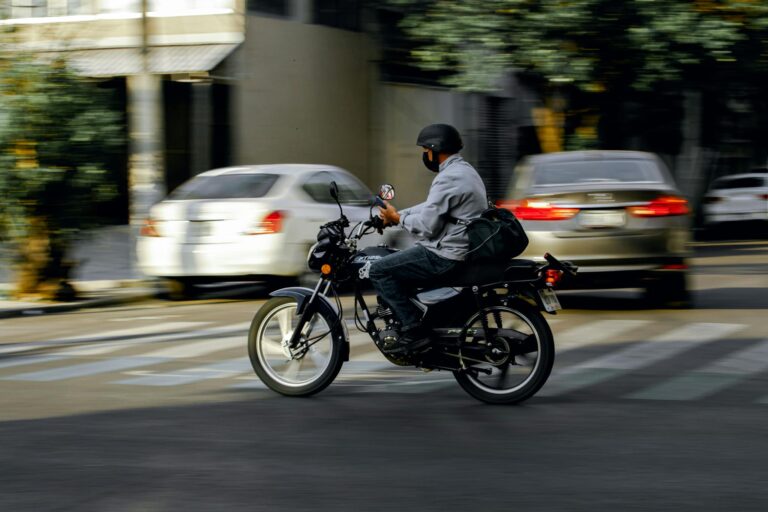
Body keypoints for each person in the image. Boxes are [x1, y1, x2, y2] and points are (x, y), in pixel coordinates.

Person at [369, 123, 488, 353]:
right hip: (461, 247)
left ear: (435, 149)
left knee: (379, 270)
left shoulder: (448, 178)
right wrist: (397, 215)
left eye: (425, 150)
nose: (424, 155)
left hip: (446, 253)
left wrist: (398, 219)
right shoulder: (464, 171)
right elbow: (430, 207)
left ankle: (413, 330)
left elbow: (426, 226)